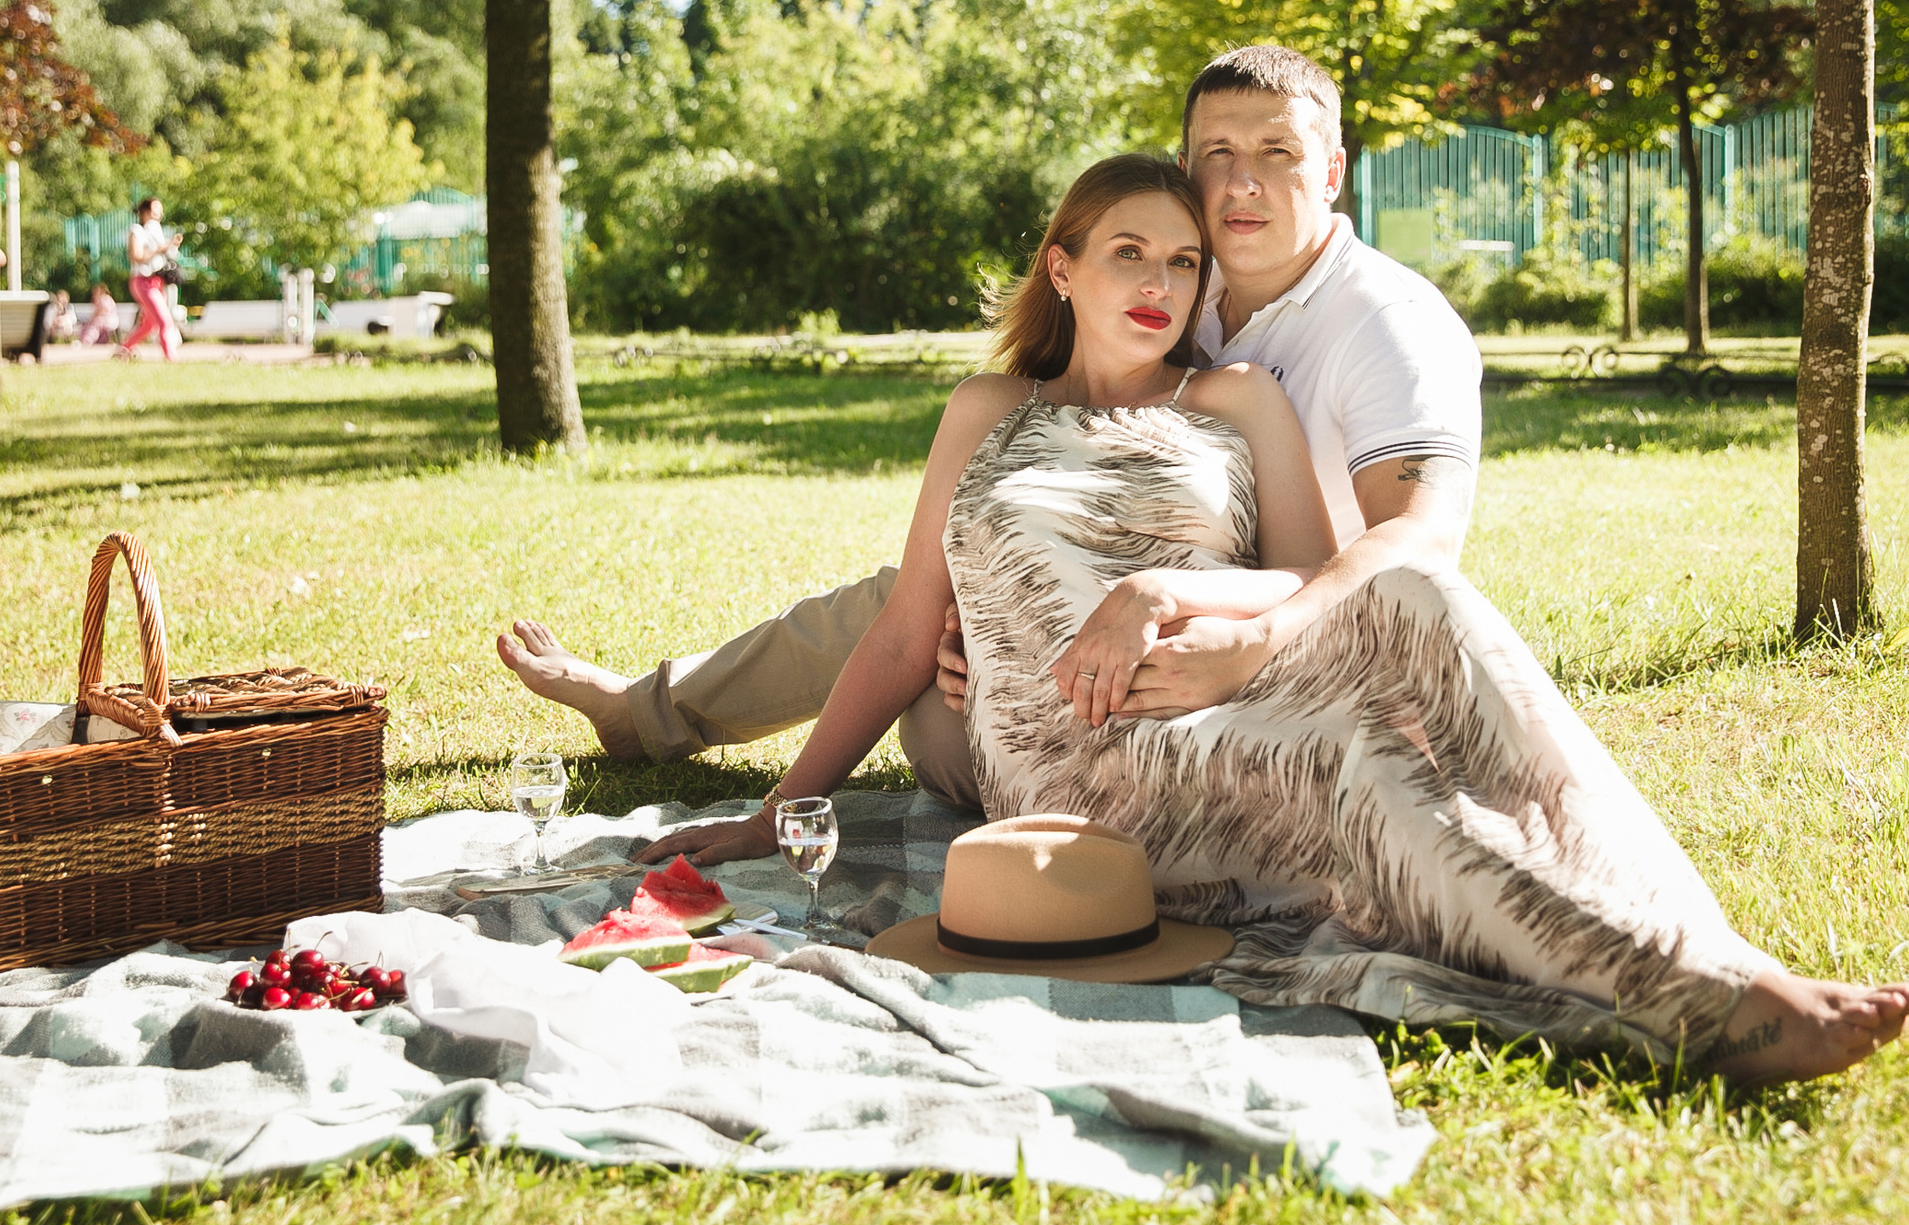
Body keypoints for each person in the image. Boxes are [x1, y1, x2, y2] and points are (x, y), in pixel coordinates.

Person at [605, 150, 1909, 1082]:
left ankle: (1707, 951)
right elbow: (904, 632)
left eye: (1185, 260)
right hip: (1070, 756)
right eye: (1128, 250)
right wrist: (781, 800)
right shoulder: (983, 411)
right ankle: (1710, 999)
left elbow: (1320, 581)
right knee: (1364, 765)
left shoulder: (1234, 400)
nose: (1163, 280)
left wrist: (1168, 586)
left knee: (1415, 580)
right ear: (1060, 264)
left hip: (1223, 692)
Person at [503, 46, 1482, 779]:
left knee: (930, 618)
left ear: (1334, 171)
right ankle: (649, 713)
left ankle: (648, 714)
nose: (1241, 181)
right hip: (1115, 607)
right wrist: (1019, 609)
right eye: (1215, 153)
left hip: (1265, 639)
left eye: (1277, 152)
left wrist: (1250, 636)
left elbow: (1417, 548)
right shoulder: (1189, 276)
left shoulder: (1388, 325)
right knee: (918, 601)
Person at [115, 199, 182, 361]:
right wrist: (160, 248)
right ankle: (171, 358)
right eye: (155, 208)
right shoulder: (137, 231)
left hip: (157, 282)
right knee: (165, 321)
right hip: (143, 282)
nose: (159, 213)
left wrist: (170, 246)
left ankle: (123, 349)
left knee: (149, 325)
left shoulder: (156, 232)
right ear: (145, 212)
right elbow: (136, 257)